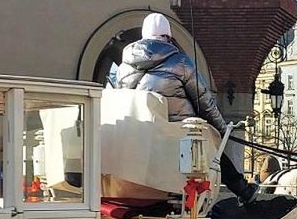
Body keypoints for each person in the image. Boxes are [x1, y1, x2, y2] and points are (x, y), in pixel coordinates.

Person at [117, 13, 276, 205]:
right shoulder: (180, 62)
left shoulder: (123, 67)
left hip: (143, 138)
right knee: (213, 152)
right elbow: (204, 102)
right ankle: (244, 191)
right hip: (179, 137)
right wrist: (222, 130)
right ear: (168, 36)